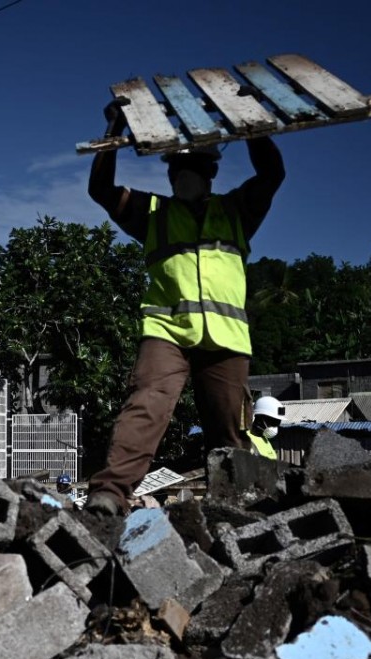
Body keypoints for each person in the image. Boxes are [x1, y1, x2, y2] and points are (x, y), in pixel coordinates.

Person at [84, 98, 286, 516]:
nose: (182, 177)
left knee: (228, 430)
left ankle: (232, 506)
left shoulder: (236, 211)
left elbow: (271, 174)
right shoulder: (153, 213)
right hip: (167, 332)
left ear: (210, 174)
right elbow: (101, 190)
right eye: (176, 169)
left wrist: (252, 128)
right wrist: (112, 134)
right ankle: (111, 493)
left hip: (226, 337)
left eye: (191, 169)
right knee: (148, 401)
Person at [247, 395, 286, 460]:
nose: (275, 427)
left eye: (277, 423)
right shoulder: (246, 440)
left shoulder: (265, 440)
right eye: (273, 422)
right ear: (259, 419)